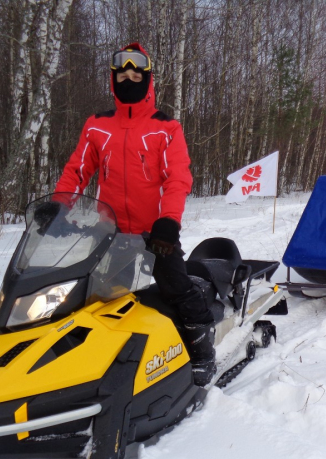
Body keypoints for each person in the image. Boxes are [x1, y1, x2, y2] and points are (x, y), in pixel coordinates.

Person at [53, 43, 216, 386]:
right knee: (98, 297)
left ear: (148, 80)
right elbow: (77, 170)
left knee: (176, 287)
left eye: (136, 75)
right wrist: (58, 206)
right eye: (122, 75)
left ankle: (203, 349)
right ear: (114, 81)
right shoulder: (97, 126)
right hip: (111, 232)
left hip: (154, 233)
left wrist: (169, 221)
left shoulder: (166, 127)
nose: (129, 80)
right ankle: (101, 359)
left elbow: (178, 178)